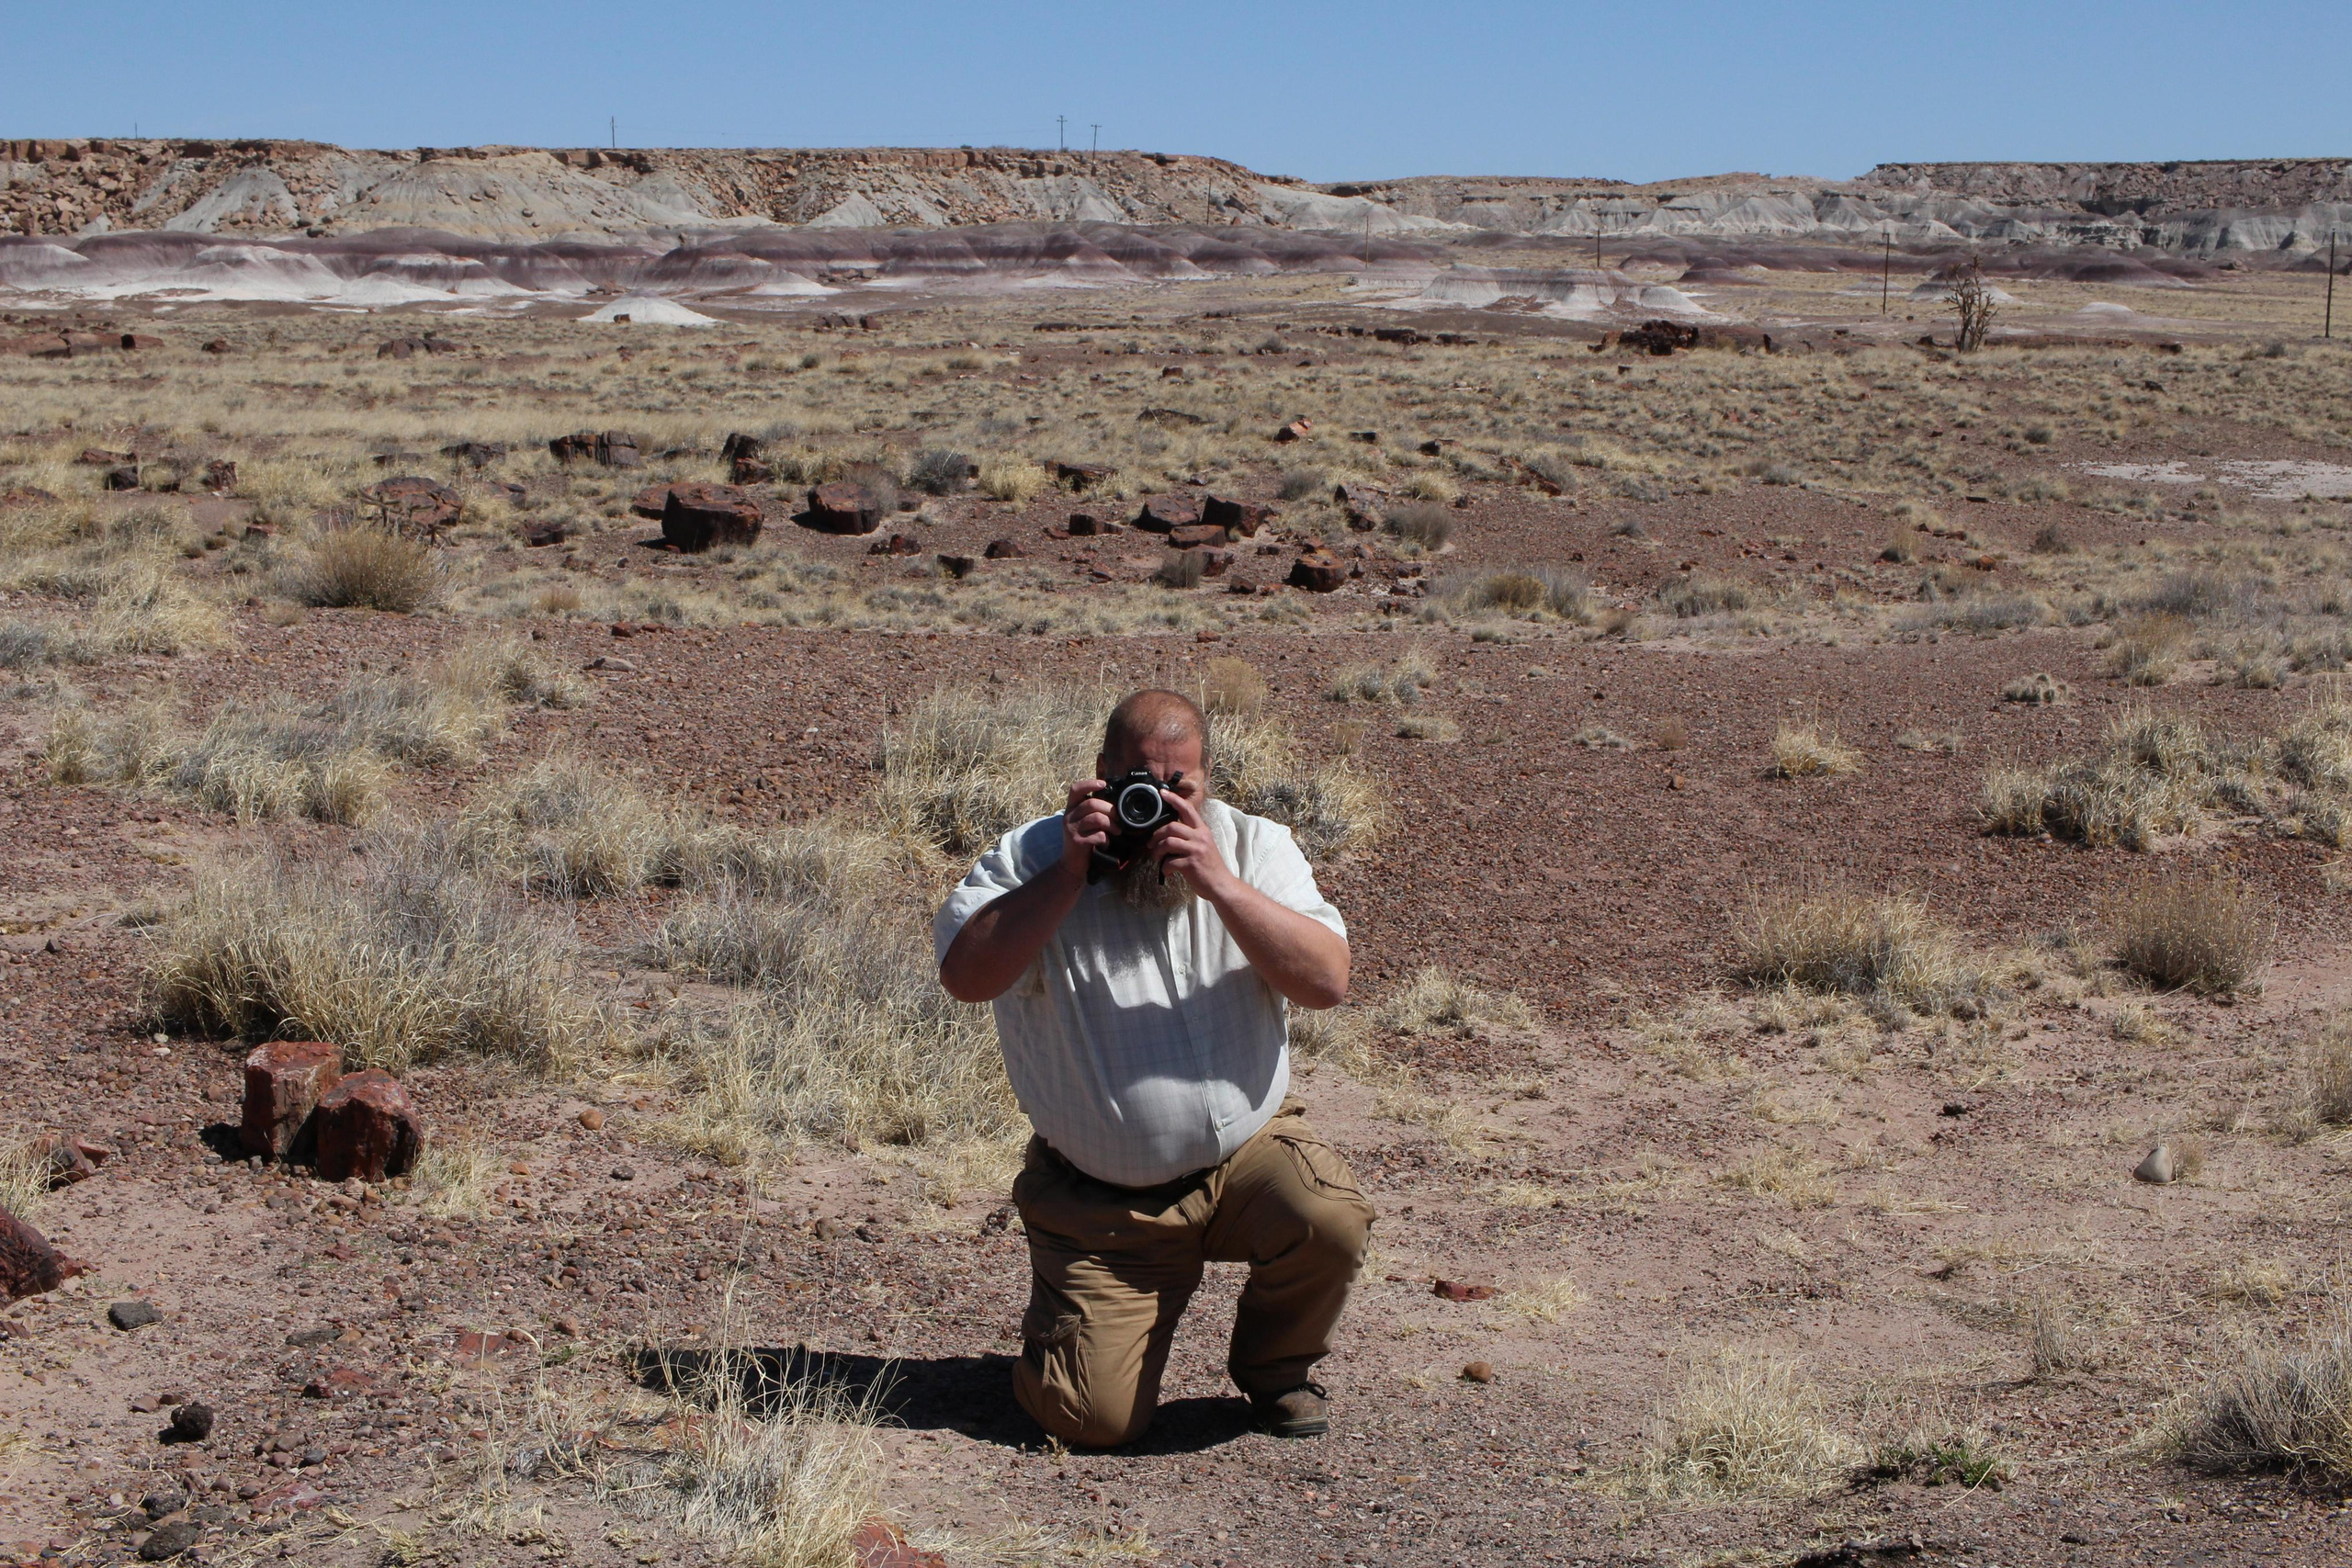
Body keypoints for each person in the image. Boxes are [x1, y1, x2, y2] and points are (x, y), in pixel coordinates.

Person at [934, 689, 1374, 1447]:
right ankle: (1073, 1317)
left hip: (1244, 1163)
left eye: (1181, 788)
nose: (1158, 805)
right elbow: (966, 975)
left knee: (1327, 1214)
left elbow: (1328, 981)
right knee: (1091, 1421)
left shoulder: (1251, 845)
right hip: (1102, 1205)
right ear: (1101, 773)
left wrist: (1219, 883)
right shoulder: (1033, 857)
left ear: (1207, 782)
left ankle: (1276, 1371)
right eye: (1139, 784)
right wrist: (1069, 875)